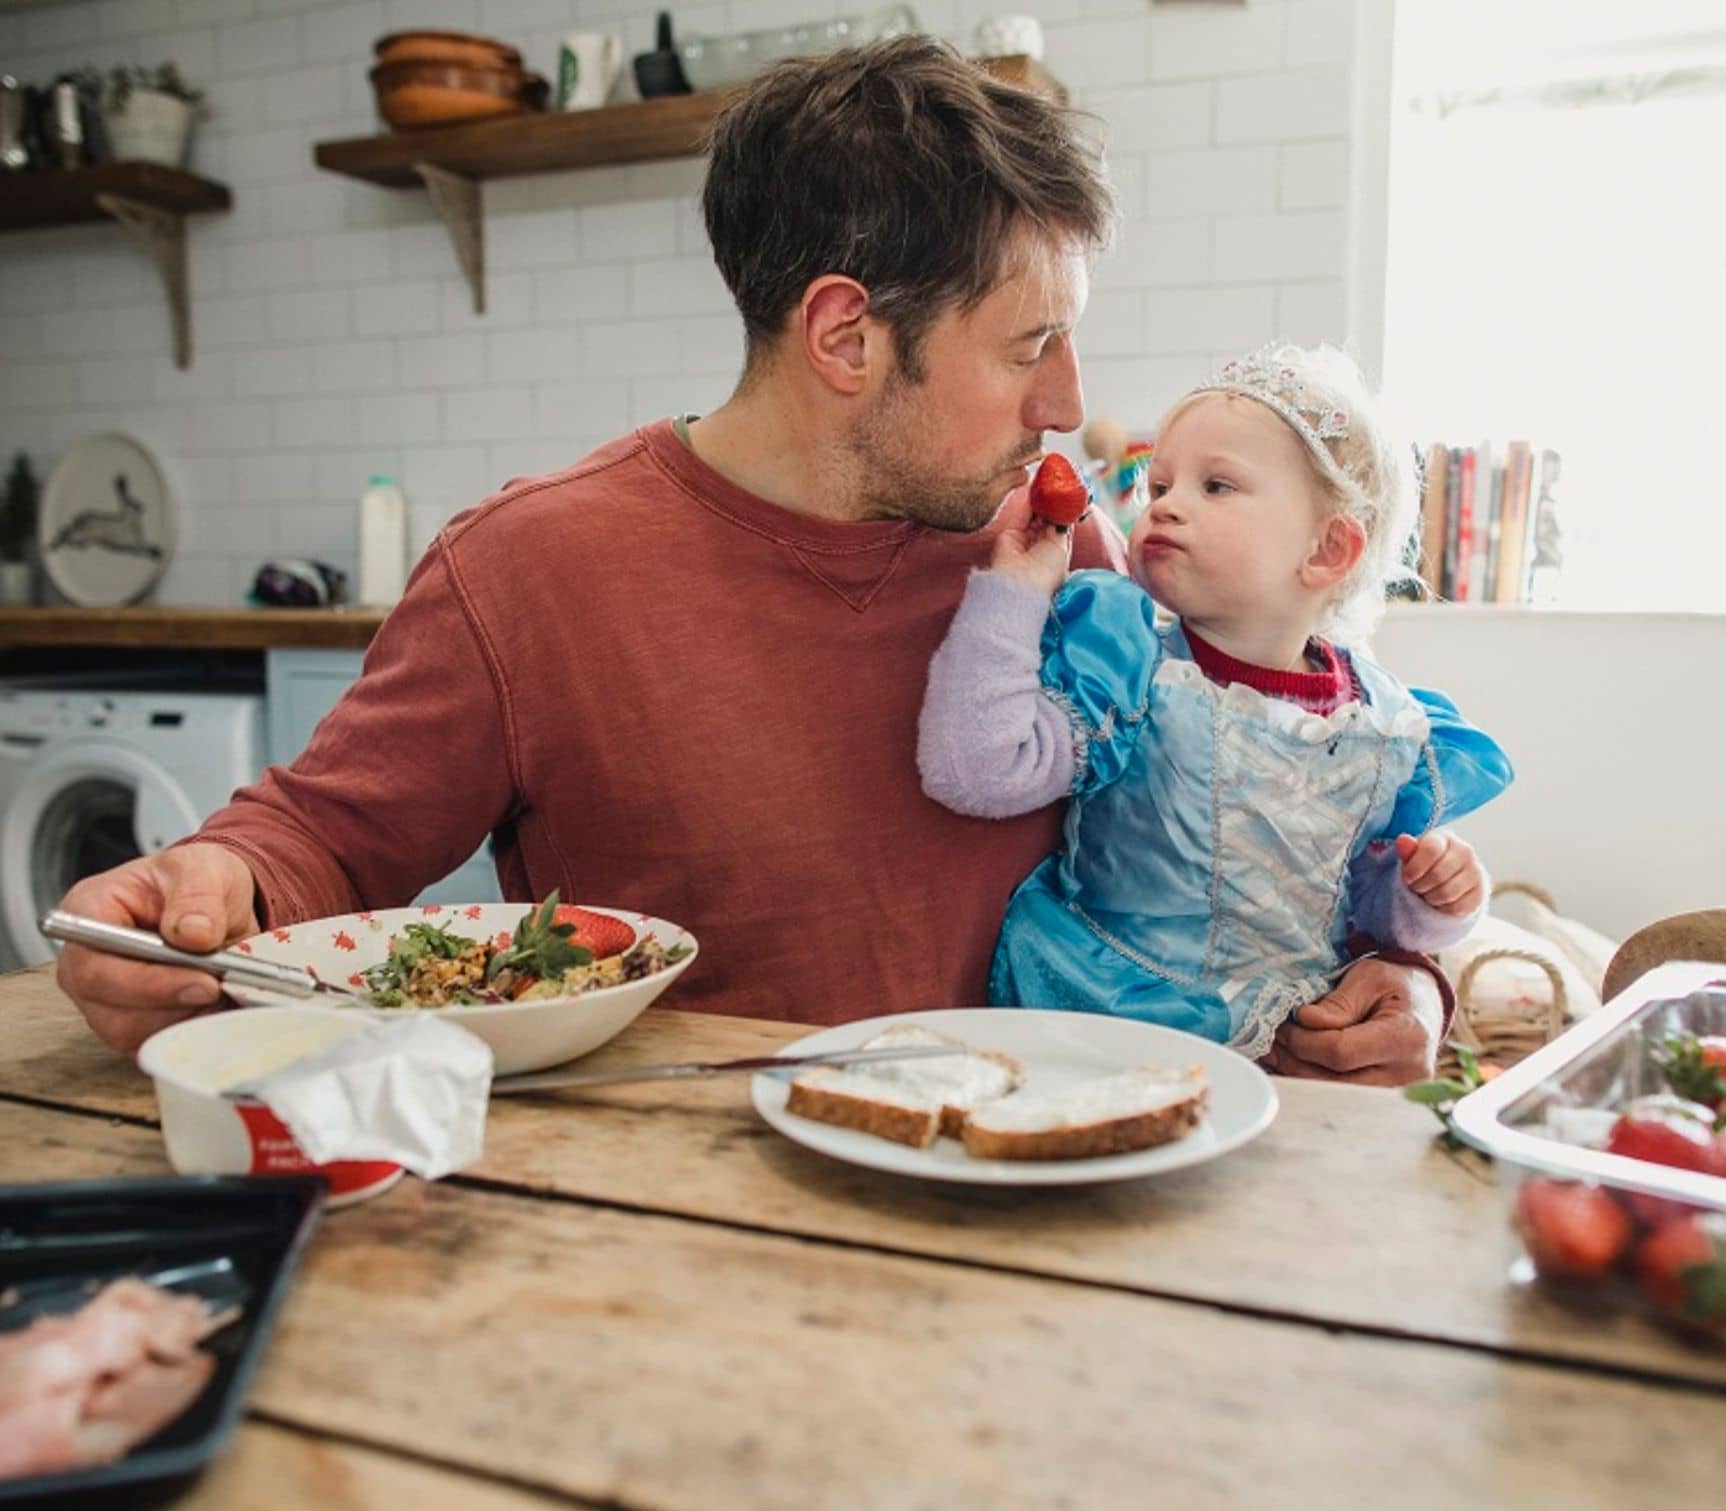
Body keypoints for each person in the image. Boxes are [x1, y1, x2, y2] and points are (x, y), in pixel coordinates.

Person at [55, 41, 1457, 1086]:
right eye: (1030, 347)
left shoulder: (1051, 539)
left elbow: (1262, 796)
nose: (1064, 405)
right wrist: (194, 895)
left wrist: (1407, 972)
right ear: (846, 338)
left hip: (1054, 1180)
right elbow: (318, 841)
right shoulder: (530, 572)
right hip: (690, 1237)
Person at [918, 342, 1513, 1067]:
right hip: (1115, 1021)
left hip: (1288, 1042)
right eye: (1160, 485)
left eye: (1217, 486)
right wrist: (1015, 591)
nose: (1166, 504)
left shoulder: (1386, 727)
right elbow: (977, 769)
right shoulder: (1128, 662)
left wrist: (1436, 900)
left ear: (1327, 551)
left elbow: (1369, 906)